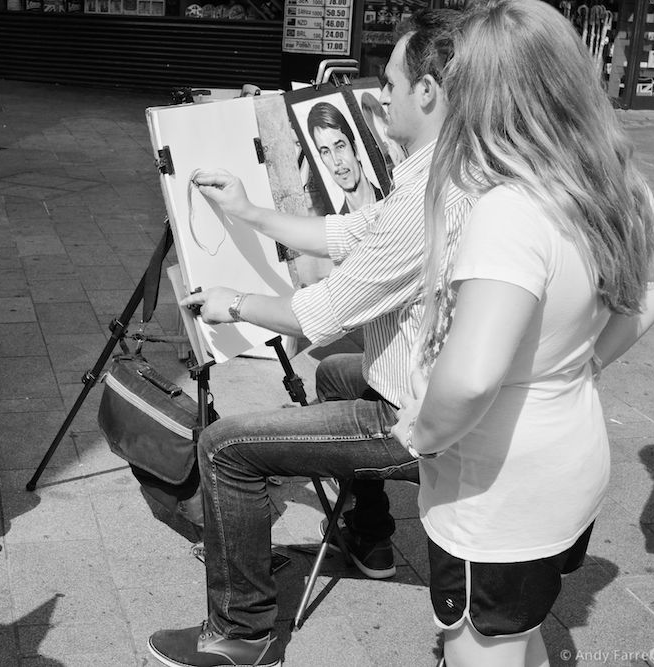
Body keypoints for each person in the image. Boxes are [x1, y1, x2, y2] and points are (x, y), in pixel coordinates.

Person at [148, 10, 471, 666]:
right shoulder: (442, 169)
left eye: (390, 83)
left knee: (225, 447)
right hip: (428, 386)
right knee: (330, 375)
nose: (380, 96)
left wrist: (233, 300)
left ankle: (241, 634)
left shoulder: (426, 197)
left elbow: (322, 312)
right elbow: (346, 233)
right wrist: (247, 210)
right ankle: (371, 534)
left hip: (412, 419)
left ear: (428, 92)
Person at [388, 1, 654, 665]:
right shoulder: (615, 182)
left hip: (497, 490)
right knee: (515, 632)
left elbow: (474, 374)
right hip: (565, 459)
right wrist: (579, 362)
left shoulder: (510, 209)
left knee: (481, 643)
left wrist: (422, 432)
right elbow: (652, 288)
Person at [306, 101, 382, 214]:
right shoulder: (338, 225)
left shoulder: (392, 197)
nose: (336, 161)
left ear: (355, 149)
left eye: (340, 146)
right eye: (326, 152)